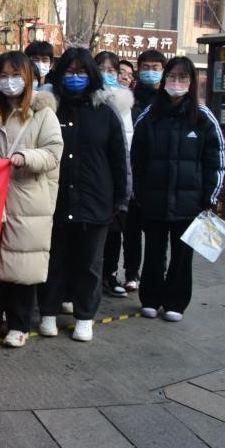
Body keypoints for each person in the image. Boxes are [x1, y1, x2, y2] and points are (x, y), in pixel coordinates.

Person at [37, 48, 128, 342]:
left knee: (89, 264)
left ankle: (85, 316)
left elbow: (119, 160)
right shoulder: (48, 110)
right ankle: (48, 312)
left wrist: (120, 200)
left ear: (91, 76)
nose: (74, 77)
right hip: (54, 201)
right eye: (69, 71)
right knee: (54, 261)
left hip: (95, 201)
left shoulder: (106, 113)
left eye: (81, 72)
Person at [131, 56, 225, 322]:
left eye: (183, 77)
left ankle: (176, 302)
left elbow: (216, 159)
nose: (176, 82)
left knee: (182, 255)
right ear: (164, 80)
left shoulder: (203, 117)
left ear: (192, 82)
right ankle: (150, 299)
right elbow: (136, 158)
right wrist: (139, 192)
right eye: (172, 77)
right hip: (154, 199)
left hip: (190, 202)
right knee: (154, 251)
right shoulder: (150, 115)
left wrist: (210, 197)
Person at [0, 51, 62, 348]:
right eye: (3, 76)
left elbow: (53, 153)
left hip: (28, 199)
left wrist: (26, 157)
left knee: (23, 265)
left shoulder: (43, 114)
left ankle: (19, 323)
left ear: (28, 78)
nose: (9, 82)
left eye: (16, 75)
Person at [124, 50, 168, 292]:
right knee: (131, 230)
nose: (150, 71)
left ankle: (157, 274)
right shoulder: (130, 98)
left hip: (158, 176)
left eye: (155, 67)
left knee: (156, 233)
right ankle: (131, 273)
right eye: (146, 67)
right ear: (139, 69)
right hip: (133, 172)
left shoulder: (168, 99)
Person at [94, 51, 135, 298]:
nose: (106, 75)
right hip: (94, 174)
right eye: (101, 69)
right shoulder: (87, 99)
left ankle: (109, 274)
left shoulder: (124, 103)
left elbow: (128, 144)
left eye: (111, 70)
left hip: (116, 175)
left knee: (114, 231)